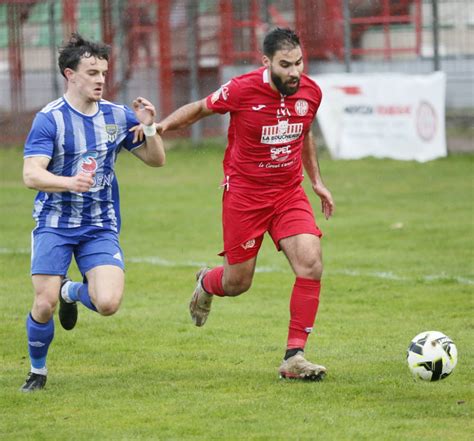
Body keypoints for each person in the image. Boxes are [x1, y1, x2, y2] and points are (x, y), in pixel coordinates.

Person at [138, 27, 334, 380]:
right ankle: (206, 283)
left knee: (311, 262)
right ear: (266, 62)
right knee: (237, 283)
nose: (294, 72)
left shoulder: (311, 92)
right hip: (245, 196)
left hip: (289, 193)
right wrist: (162, 126)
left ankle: (294, 357)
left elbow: (304, 134)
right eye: (285, 64)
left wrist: (316, 181)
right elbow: (199, 109)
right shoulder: (242, 89)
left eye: (299, 63)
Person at [20, 33, 165, 392]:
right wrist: (69, 183)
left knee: (109, 303)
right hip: (54, 223)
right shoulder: (49, 119)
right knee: (43, 304)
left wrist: (148, 127)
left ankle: (71, 292)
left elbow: (156, 160)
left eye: (103, 71)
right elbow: (30, 174)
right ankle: (37, 371)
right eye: (92, 72)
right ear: (70, 75)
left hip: (99, 225)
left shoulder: (117, 116)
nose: (101, 79)